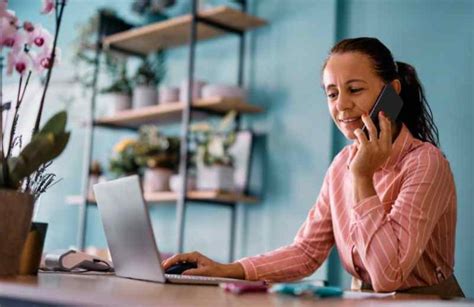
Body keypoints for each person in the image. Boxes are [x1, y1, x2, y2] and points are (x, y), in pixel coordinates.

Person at [162, 37, 464, 297]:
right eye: (332, 94)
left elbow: (388, 276)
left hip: (429, 302)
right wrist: (228, 269)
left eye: (355, 89)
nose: (341, 105)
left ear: (392, 92)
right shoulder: (341, 166)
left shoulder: (425, 163)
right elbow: (307, 252)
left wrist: (362, 178)